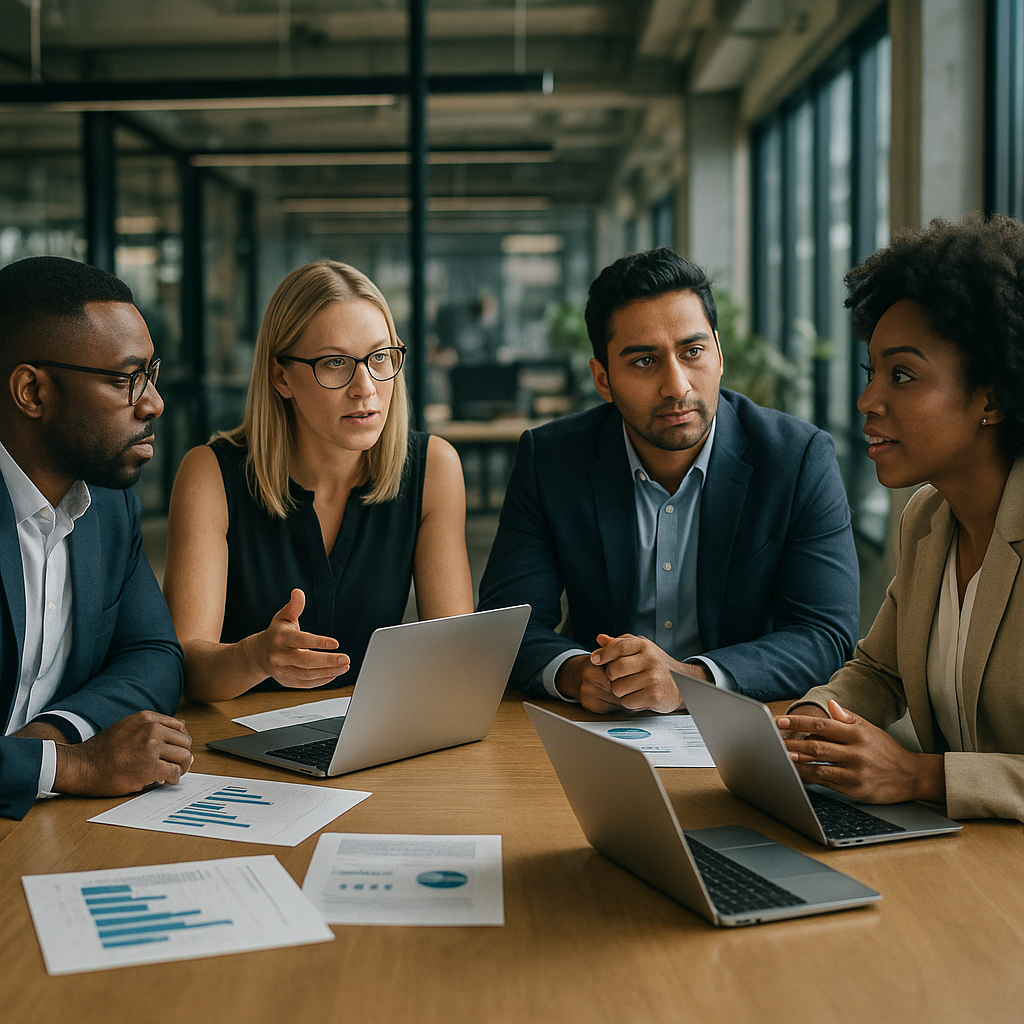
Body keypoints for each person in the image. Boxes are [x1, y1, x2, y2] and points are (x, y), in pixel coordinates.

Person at [478, 247, 859, 713]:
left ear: (719, 354)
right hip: (600, 727)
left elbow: (825, 634)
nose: (677, 386)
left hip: (745, 726)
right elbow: (507, 624)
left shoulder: (796, 458)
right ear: (603, 378)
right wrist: (576, 672)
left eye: (692, 351)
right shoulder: (551, 460)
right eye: (644, 361)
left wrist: (690, 680)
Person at [779, 213, 1024, 822]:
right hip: (963, 857)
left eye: (904, 375)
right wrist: (808, 724)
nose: (868, 401)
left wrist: (918, 774)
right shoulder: (928, 518)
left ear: (991, 397)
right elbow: (879, 670)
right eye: (872, 374)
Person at [163, 260, 473, 702]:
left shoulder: (433, 468)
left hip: (373, 736)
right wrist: (255, 658)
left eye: (379, 357)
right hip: (235, 743)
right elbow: (183, 667)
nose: (365, 386)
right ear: (281, 377)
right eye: (334, 363)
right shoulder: (210, 476)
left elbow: (454, 654)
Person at [0, 256, 190, 821]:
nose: (153, 403)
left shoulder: (108, 502)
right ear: (32, 392)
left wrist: (57, 732)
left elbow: (153, 655)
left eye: (152, 374)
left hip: (45, 824)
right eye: (124, 379)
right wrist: (72, 766)